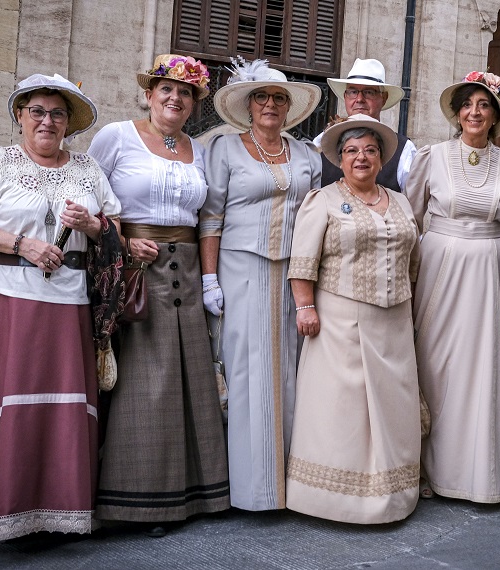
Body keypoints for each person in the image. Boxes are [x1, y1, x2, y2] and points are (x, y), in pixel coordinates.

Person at [0, 73, 122, 541]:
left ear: (69, 123)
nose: (47, 120)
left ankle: (58, 512)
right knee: (8, 403)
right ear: (20, 116)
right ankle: (3, 511)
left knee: (60, 408)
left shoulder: (86, 169)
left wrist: (93, 222)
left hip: (69, 303)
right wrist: (21, 243)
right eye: (37, 112)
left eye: (57, 113)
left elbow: (114, 226)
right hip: (7, 303)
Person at [88, 54, 230, 536]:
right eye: (166, 89)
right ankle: (140, 500)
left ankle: (195, 492)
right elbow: (89, 199)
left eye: (186, 92)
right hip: (136, 269)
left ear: (195, 103)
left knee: (190, 375)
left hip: (186, 269)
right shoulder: (117, 137)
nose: (175, 98)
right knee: (145, 380)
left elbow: (206, 215)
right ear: (148, 94)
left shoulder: (198, 148)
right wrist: (124, 242)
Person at [285, 115, 421, 523]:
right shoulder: (322, 199)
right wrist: (304, 306)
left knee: (390, 408)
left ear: (381, 158)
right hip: (339, 317)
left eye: (370, 150)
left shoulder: (398, 200)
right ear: (340, 160)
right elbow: (303, 260)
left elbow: (412, 258)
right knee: (342, 409)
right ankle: (332, 499)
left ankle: (392, 495)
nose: (361, 157)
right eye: (351, 151)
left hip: (394, 320)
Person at [199, 57, 322, 511]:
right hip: (239, 268)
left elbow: (315, 220)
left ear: (289, 108)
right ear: (249, 105)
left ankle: (289, 486)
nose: (270, 105)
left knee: (288, 372)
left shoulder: (307, 155)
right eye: (262, 97)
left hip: (293, 273)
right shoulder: (225, 150)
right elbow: (210, 219)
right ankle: (249, 490)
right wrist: (209, 279)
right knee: (246, 372)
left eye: (278, 99)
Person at [406, 70, 500, 503]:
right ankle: (420, 470)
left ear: (496, 115)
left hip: (488, 270)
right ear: (457, 113)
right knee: (432, 364)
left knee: (478, 369)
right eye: (468, 104)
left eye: (484, 105)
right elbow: (411, 216)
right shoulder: (431, 157)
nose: (475, 112)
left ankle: (472, 476)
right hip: (438, 266)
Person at [315, 58, 416, 192]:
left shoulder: (404, 149)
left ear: (384, 98)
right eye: (353, 91)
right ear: (345, 97)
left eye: (369, 92)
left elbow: (411, 206)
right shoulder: (321, 142)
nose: (359, 99)